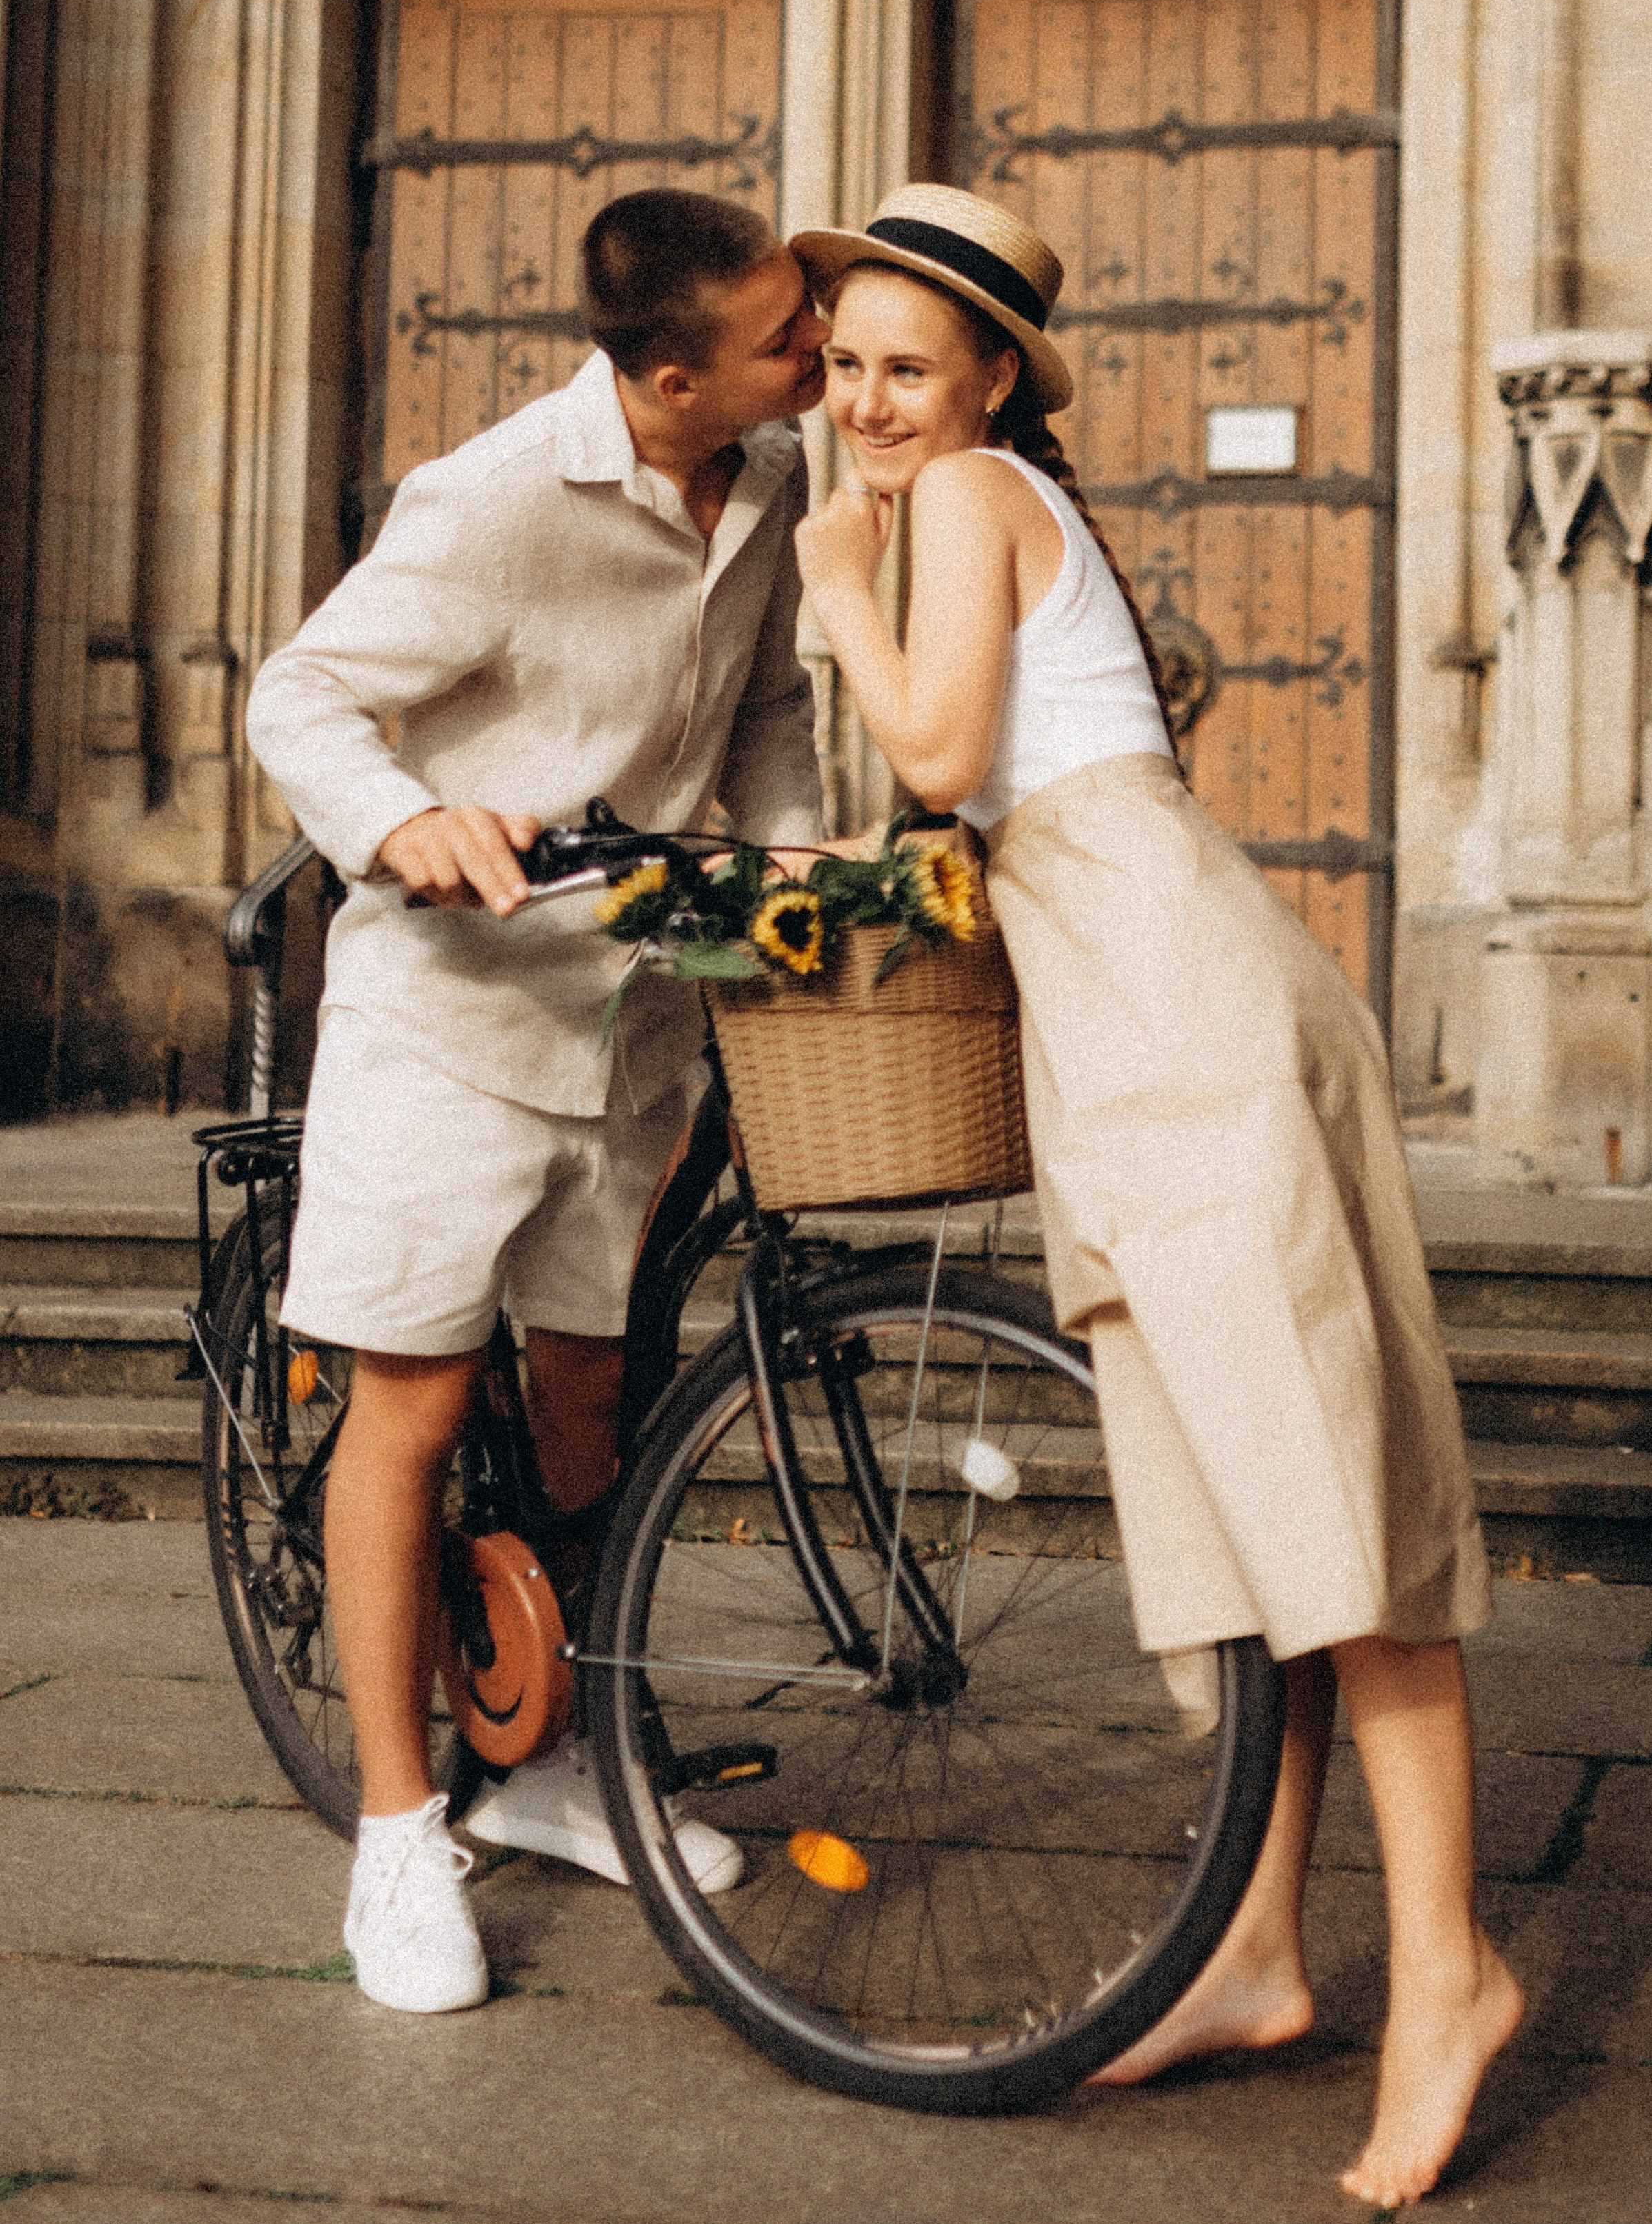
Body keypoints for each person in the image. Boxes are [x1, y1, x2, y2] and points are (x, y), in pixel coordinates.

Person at [786, 183, 1524, 2209]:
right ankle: (1260, 1951)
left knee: (1333, 1507)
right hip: (1127, 1021)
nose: (866, 402)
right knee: (1242, 1518)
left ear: (991, 379)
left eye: (906, 367)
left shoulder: (959, 498)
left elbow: (936, 747)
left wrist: (833, 587)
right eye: (842, 365)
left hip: (1181, 1017)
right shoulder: (985, 501)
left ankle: (1450, 1972)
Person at [246, 188, 827, 2015]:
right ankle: (398, 1834)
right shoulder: (493, 497)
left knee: (589, 1407)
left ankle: (560, 1761)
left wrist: (790, 864)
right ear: (672, 378)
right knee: (410, 1409)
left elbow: (767, 709)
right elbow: (301, 696)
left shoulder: (771, 473)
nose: (821, 349)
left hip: (634, 1025)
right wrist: (402, 819)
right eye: (787, 336)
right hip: (449, 1021)